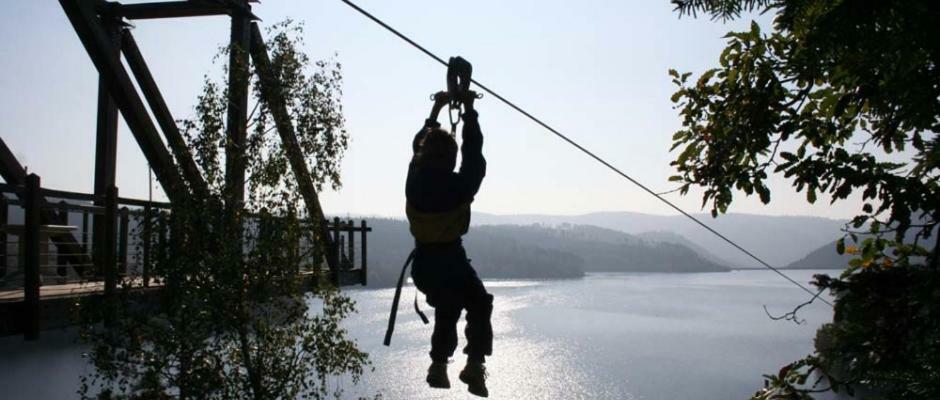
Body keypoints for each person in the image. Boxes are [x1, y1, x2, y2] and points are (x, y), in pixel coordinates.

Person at [406, 90, 493, 397]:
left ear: (424, 155)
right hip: (451, 260)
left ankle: (441, 364)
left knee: (449, 302)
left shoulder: (414, 181)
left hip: (425, 264)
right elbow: (474, 152)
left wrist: (437, 107)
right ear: (451, 159)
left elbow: (419, 142)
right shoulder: (460, 187)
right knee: (476, 302)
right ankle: (470, 363)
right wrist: (469, 110)